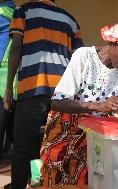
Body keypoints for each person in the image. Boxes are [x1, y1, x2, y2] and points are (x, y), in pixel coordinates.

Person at [40, 17, 118, 186]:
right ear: (114, 43)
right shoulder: (84, 56)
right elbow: (57, 102)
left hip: (94, 139)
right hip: (63, 133)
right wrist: (98, 106)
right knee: (54, 182)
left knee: (86, 182)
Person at [3, 0, 84, 188]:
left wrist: (9, 87)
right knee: (59, 145)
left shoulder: (23, 11)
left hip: (34, 86)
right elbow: (78, 58)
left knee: (23, 146)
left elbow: (16, 47)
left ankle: (18, 185)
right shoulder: (70, 20)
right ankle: (49, 183)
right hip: (63, 92)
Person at [0, 0, 15, 159]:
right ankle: (36, 176)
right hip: (13, 84)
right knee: (19, 136)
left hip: (3, 83)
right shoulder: (14, 13)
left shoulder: (3, 13)